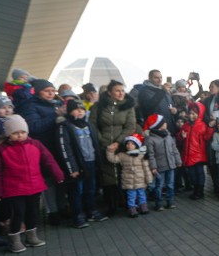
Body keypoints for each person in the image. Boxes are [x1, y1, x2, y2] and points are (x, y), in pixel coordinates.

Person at [0, 115, 64, 253]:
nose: (20, 136)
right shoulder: (1, 150)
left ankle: (31, 236)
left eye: (23, 132)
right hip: (13, 188)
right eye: (15, 133)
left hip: (34, 185)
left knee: (32, 211)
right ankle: (14, 240)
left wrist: (58, 174)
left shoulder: (35, 144)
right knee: (18, 213)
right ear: (8, 134)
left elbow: (48, 159)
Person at [16, 78, 69, 223]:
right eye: (47, 91)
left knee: (61, 178)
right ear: (38, 92)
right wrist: (56, 114)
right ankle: (52, 211)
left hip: (59, 146)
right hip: (43, 147)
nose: (51, 94)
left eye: (53, 91)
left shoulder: (56, 103)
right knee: (49, 180)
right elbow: (33, 127)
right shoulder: (30, 106)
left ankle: (62, 206)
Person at [89, 80, 137, 216]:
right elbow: (92, 125)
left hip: (122, 145)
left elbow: (130, 127)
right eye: (117, 90)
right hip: (103, 145)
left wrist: (117, 142)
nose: (121, 93)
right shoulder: (98, 107)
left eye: (122, 90)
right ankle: (111, 205)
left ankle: (127, 202)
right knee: (107, 175)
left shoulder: (128, 107)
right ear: (109, 93)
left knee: (125, 174)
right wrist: (102, 141)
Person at [56, 100, 106, 228]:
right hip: (77, 166)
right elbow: (64, 148)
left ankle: (92, 211)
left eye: (82, 109)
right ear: (69, 111)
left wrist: (98, 163)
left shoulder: (89, 125)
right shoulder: (65, 126)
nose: (80, 112)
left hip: (91, 162)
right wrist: (71, 168)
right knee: (76, 191)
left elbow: (96, 144)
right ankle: (78, 216)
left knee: (90, 189)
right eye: (76, 109)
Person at [106, 134, 152, 217]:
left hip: (140, 180)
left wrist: (149, 179)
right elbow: (112, 159)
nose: (129, 145)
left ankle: (143, 207)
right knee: (131, 196)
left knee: (141, 194)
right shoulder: (122, 155)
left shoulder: (141, 155)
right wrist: (110, 151)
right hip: (128, 181)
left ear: (137, 145)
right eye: (128, 143)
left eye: (132, 144)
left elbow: (146, 168)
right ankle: (132, 209)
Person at [144, 114, 182, 210]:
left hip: (171, 165)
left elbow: (174, 149)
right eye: (164, 122)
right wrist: (153, 167)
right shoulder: (150, 139)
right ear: (159, 125)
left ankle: (170, 201)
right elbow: (151, 155)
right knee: (159, 186)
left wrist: (178, 160)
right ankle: (159, 203)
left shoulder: (168, 135)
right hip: (159, 167)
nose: (166, 123)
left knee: (170, 184)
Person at [177, 101, 212, 200]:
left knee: (200, 173)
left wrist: (210, 128)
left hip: (199, 154)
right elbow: (179, 137)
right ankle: (196, 189)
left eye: (194, 114)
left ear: (199, 114)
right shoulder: (186, 125)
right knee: (192, 174)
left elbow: (207, 137)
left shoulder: (202, 125)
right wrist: (181, 136)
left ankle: (199, 191)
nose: (191, 115)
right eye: (190, 113)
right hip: (189, 154)